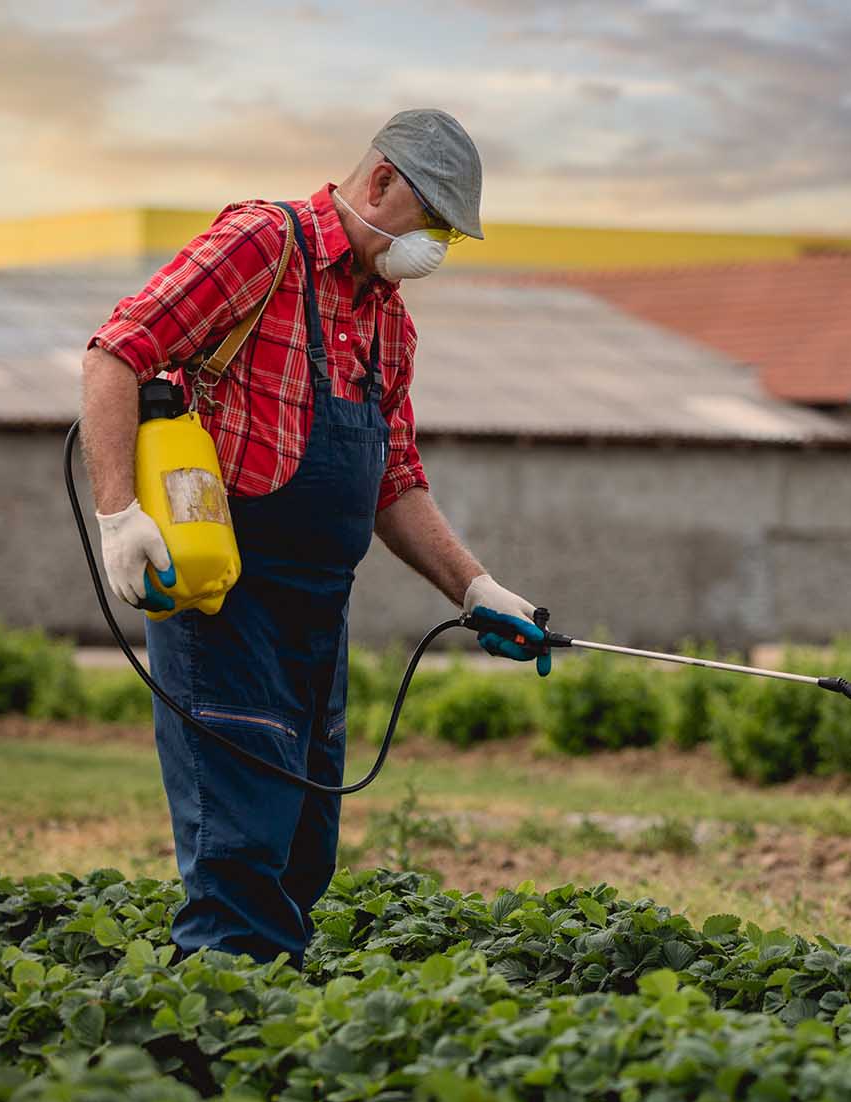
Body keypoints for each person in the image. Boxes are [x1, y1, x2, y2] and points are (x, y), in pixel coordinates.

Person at [78, 109, 548, 966]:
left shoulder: (387, 319)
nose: (437, 246)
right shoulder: (264, 246)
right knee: (240, 861)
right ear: (381, 184)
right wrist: (119, 515)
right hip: (225, 604)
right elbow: (117, 353)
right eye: (434, 220)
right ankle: (206, 1058)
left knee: (300, 855)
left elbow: (394, 479)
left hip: (316, 619)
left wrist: (477, 589)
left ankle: (274, 1046)